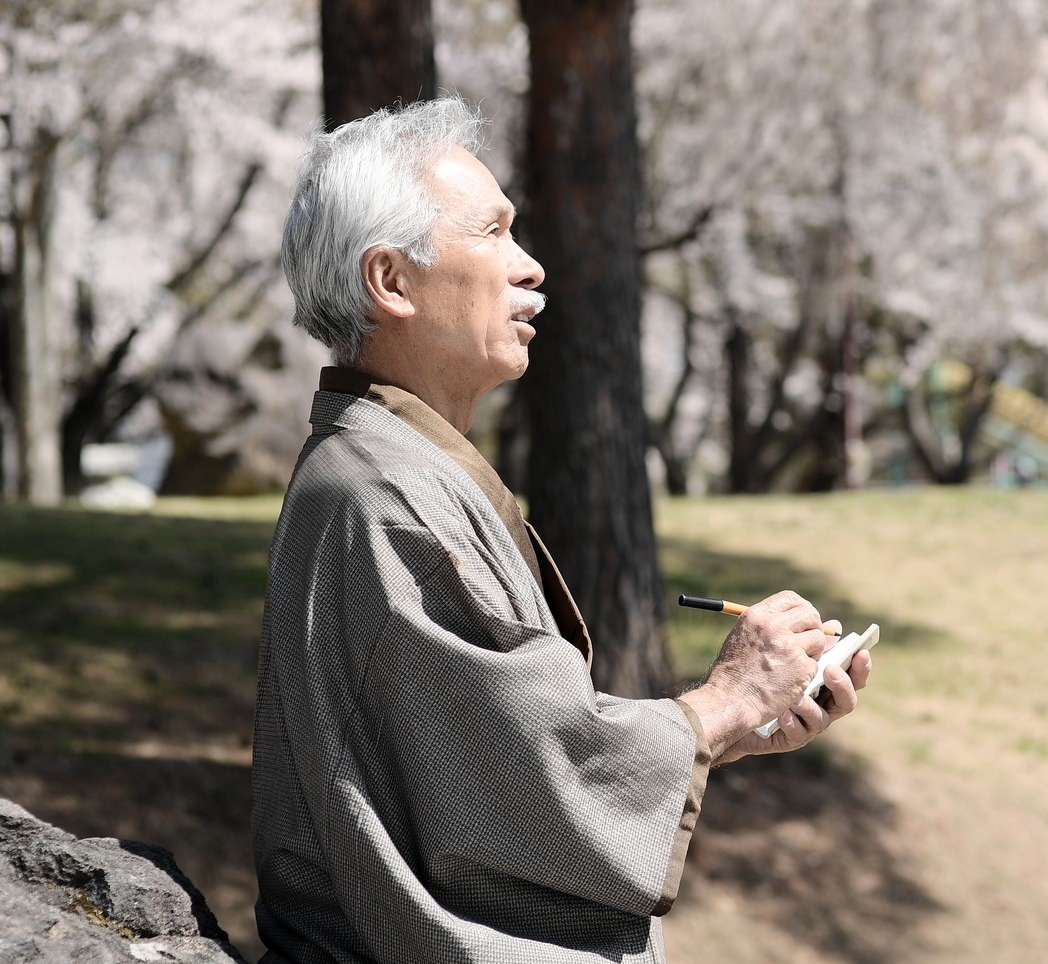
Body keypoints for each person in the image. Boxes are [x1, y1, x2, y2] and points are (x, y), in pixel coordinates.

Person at [252, 98, 868, 963]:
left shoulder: (388, 469)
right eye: (494, 233)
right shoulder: (379, 494)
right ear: (390, 280)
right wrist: (723, 700)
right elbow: (524, 769)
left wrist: (737, 728)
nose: (531, 265)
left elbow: (479, 756)